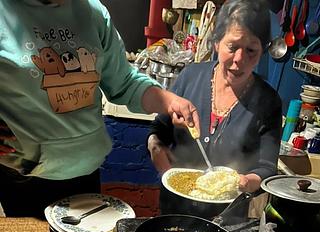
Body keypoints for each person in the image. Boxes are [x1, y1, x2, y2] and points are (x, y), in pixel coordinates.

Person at [0, 0, 199, 218]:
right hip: (26, 177)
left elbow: (124, 82)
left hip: (86, 170)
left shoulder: (92, 10)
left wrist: (168, 102)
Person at [147, 0, 282, 216]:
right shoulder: (190, 77)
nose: (239, 60)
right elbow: (159, 130)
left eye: (251, 51)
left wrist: (247, 181)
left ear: (262, 51)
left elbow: (266, 168)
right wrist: (155, 147)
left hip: (226, 217)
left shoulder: (268, 102)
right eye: (233, 47)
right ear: (217, 42)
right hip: (175, 207)